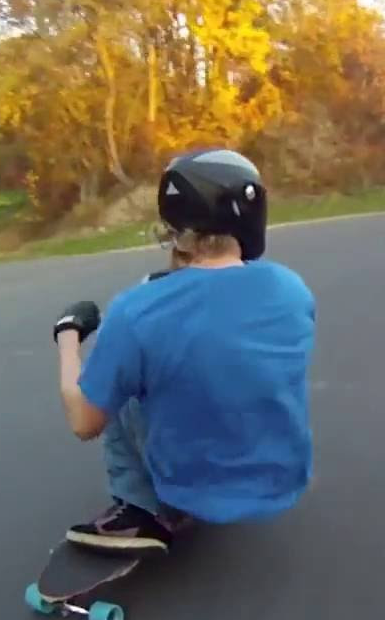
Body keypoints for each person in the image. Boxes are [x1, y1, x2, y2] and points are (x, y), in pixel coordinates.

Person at [50, 148, 316, 553]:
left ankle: (142, 510)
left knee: (116, 384)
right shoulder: (292, 289)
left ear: (176, 228)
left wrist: (68, 336)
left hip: (187, 490)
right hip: (283, 480)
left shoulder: (136, 310)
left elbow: (84, 422)